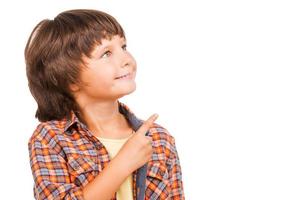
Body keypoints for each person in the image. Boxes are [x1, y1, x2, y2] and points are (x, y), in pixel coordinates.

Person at [25, 9, 184, 200]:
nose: (127, 60)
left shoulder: (159, 139)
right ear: (70, 79)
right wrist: (124, 162)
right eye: (106, 53)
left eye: (123, 47)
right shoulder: (50, 139)